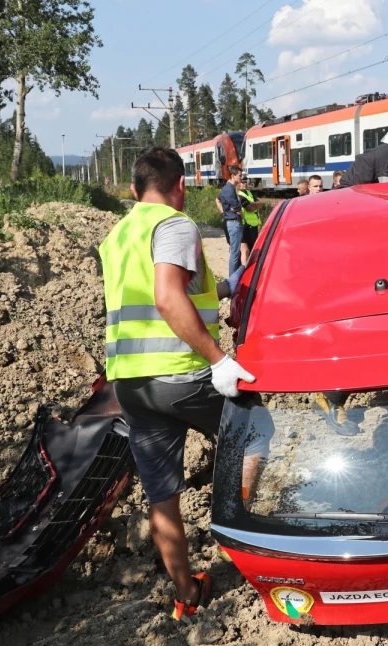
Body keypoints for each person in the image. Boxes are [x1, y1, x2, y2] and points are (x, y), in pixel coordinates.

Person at [99, 148, 255, 621]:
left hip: (131, 384)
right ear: (181, 186)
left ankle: (186, 593)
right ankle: (238, 541)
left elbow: (165, 291)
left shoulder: (119, 233)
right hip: (181, 373)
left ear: (132, 190)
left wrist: (226, 288)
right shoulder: (175, 224)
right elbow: (168, 298)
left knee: (161, 493)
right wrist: (219, 359)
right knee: (255, 436)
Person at [217, 166, 246, 278]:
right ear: (233, 176)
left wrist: (223, 211)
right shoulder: (229, 190)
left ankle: (233, 277)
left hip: (232, 222)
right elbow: (237, 208)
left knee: (235, 251)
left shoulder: (227, 188)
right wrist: (241, 215)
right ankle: (232, 279)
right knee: (235, 252)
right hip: (234, 223)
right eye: (239, 175)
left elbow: (218, 199)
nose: (241, 177)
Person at [235, 181, 262, 262]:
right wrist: (254, 205)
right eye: (242, 183)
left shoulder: (249, 192)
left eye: (245, 182)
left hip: (254, 224)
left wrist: (255, 205)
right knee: (248, 249)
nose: (245, 184)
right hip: (246, 225)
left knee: (254, 247)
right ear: (238, 184)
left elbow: (260, 203)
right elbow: (249, 208)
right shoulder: (240, 195)